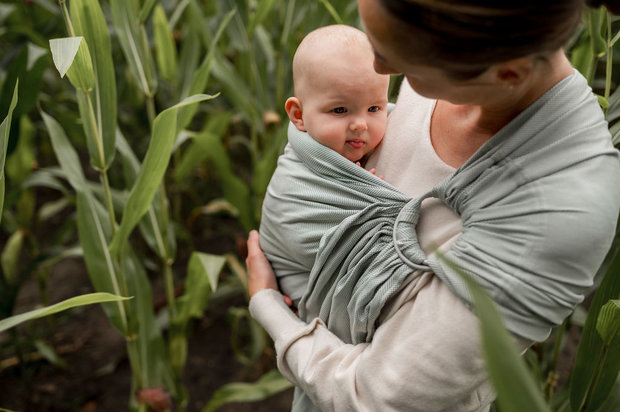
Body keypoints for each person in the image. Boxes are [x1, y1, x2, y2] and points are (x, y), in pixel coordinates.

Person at [247, 1, 620, 411]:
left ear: (507, 73)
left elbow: (373, 397)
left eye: (394, 57)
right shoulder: (452, 59)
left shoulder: (555, 213)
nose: (380, 70)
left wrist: (268, 305)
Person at [260, 24, 390, 307]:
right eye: (340, 110)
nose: (360, 124)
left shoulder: (396, 124)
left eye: (374, 108)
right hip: (311, 306)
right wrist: (363, 200)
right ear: (299, 115)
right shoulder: (294, 185)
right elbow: (306, 238)